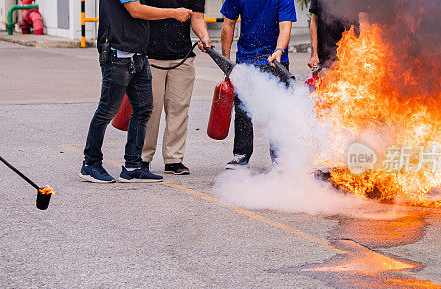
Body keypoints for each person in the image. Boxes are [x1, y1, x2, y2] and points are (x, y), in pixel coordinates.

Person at [80, 0, 191, 183]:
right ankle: (90, 164)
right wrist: (173, 13)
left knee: (144, 108)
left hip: (138, 55)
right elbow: (136, 11)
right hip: (118, 56)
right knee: (107, 110)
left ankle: (133, 166)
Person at [220, 0, 296, 169]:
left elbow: (285, 27)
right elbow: (228, 24)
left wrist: (279, 50)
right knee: (243, 111)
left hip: (276, 62)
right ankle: (241, 154)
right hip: (245, 60)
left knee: (277, 111)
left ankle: (280, 157)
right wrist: (227, 61)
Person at [141, 0, 211, 175]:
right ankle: (142, 158)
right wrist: (173, 12)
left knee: (179, 109)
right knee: (150, 110)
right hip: (150, 57)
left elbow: (197, 17)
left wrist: (204, 36)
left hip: (182, 57)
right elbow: (140, 12)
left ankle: (174, 159)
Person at [307, 0, 369, 69]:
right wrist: (314, 54)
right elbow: (314, 20)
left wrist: (364, 50)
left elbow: (363, 18)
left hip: (350, 56)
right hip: (326, 57)